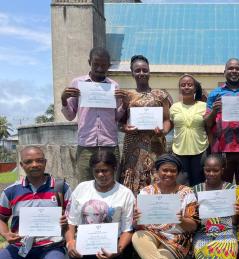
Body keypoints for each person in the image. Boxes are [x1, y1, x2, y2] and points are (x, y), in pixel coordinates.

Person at [61, 47, 129, 182]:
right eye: (96, 64)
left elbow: (116, 117)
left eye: (103, 65)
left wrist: (125, 104)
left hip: (109, 144)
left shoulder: (114, 86)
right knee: (85, 184)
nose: (99, 68)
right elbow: (70, 116)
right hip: (86, 145)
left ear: (109, 66)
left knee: (112, 184)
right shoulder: (77, 84)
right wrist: (63, 99)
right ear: (89, 62)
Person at [192, 154, 239, 259]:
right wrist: (195, 212)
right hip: (203, 232)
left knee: (227, 256)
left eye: (215, 170)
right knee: (203, 257)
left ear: (222, 170)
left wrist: (235, 211)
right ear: (203, 170)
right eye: (207, 170)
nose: (211, 173)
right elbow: (193, 221)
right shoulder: (195, 190)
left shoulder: (231, 189)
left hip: (226, 232)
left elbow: (234, 222)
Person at [118, 55, 172, 194]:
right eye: (137, 70)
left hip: (156, 146)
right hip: (133, 148)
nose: (141, 73)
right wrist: (126, 129)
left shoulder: (161, 95)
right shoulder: (127, 95)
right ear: (132, 73)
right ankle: (136, 214)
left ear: (149, 71)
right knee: (134, 180)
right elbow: (119, 122)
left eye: (144, 70)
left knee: (158, 178)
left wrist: (163, 131)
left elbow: (167, 120)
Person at [204, 58, 239, 184]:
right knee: (223, 186)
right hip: (222, 149)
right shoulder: (215, 94)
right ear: (224, 72)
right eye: (231, 68)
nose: (234, 71)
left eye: (237, 68)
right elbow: (207, 123)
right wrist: (214, 111)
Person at [170, 74, 208, 186]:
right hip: (179, 151)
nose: (186, 87)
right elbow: (169, 126)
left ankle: (197, 204)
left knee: (199, 184)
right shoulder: (174, 107)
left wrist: (213, 151)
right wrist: (159, 131)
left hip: (200, 150)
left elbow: (209, 128)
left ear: (195, 88)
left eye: (190, 85)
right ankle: (186, 204)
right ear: (180, 88)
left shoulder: (204, 106)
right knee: (182, 184)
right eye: (183, 85)